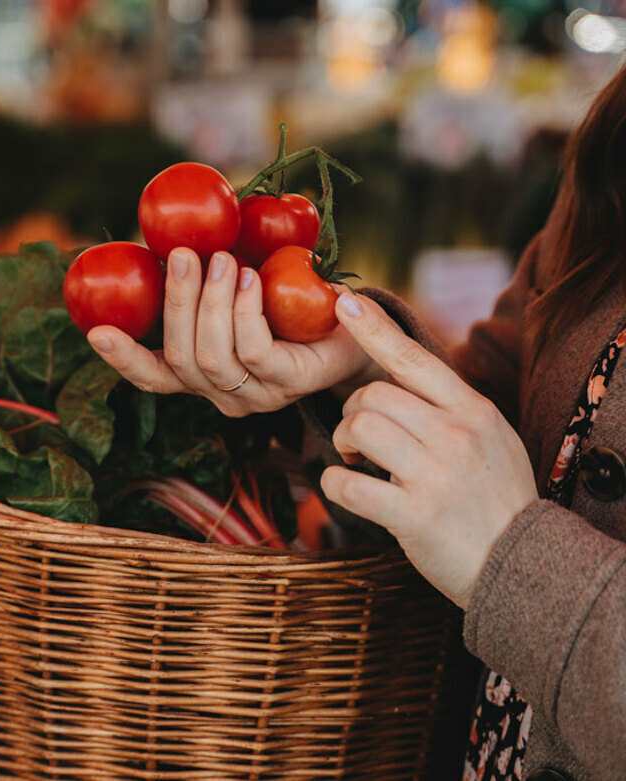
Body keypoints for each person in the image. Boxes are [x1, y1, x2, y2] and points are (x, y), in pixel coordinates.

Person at [86, 65, 626, 781]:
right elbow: (505, 394)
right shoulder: (616, 142)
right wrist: (354, 368)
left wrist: (514, 557)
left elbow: (502, 526)